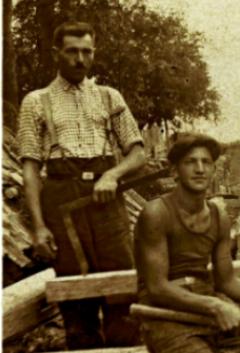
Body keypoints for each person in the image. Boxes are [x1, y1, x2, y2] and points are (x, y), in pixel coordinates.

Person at [17, 21, 145, 348]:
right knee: (76, 301)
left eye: (86, 51)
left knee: (122, 293)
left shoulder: (108, 96)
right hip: (62, 205)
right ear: (56, 53)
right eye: (72, 51)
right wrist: (40, 227)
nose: (80, 59)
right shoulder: (37, 101)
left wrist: (112, 175)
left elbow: (138, 153)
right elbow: (30, 169)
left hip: (106, 201)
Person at [135, 133, 240, 353]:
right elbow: (157, 288)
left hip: (207, 303)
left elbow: (226, 281)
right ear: (174, 172)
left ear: (214, 171)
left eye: (206, 162)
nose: (199, 169)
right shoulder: (156, 214)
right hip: (165, 313)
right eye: (190, 162)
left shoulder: (219, 216)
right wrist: (215, 305)